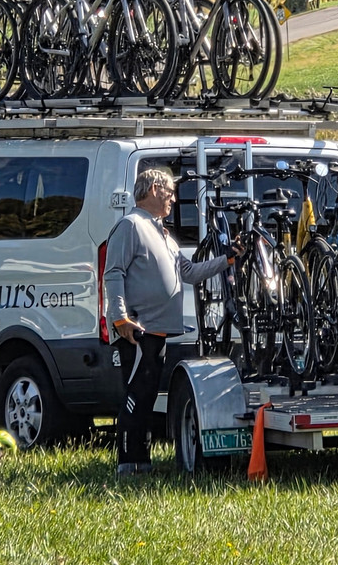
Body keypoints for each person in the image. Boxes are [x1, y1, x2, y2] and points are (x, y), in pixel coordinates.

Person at [103, 168, 239, 476]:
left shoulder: (163, 232)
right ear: (153, 189)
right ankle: (128, 463)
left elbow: (188, 272)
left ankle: (143, 461)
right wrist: (120, 319)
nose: (174, 200)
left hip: (159, 331)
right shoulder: (130, 225)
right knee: (136, 396)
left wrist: (227, 259)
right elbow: (113, 273)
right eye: (170, 193)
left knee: (148, 396)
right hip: (139, 330)